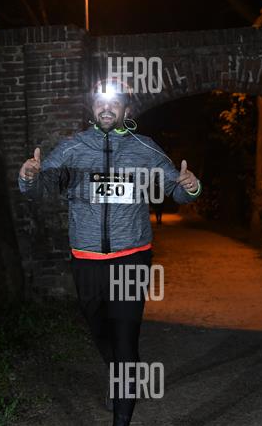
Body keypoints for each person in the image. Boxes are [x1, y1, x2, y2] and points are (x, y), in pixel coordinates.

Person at [17, 78, 201, 426]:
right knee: (99, 329)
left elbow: (175, 189)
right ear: (92, 107)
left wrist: (190, 187)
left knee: (125, 337)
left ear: (125, 109)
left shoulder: (144, 148)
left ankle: (122, 407)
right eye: (100, 102)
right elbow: (41, 186)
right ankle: (119, 372)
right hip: (87, 260)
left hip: (132, 257)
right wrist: (29, 177)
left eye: (114, 103)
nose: (106, 108)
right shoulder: (72, 148)